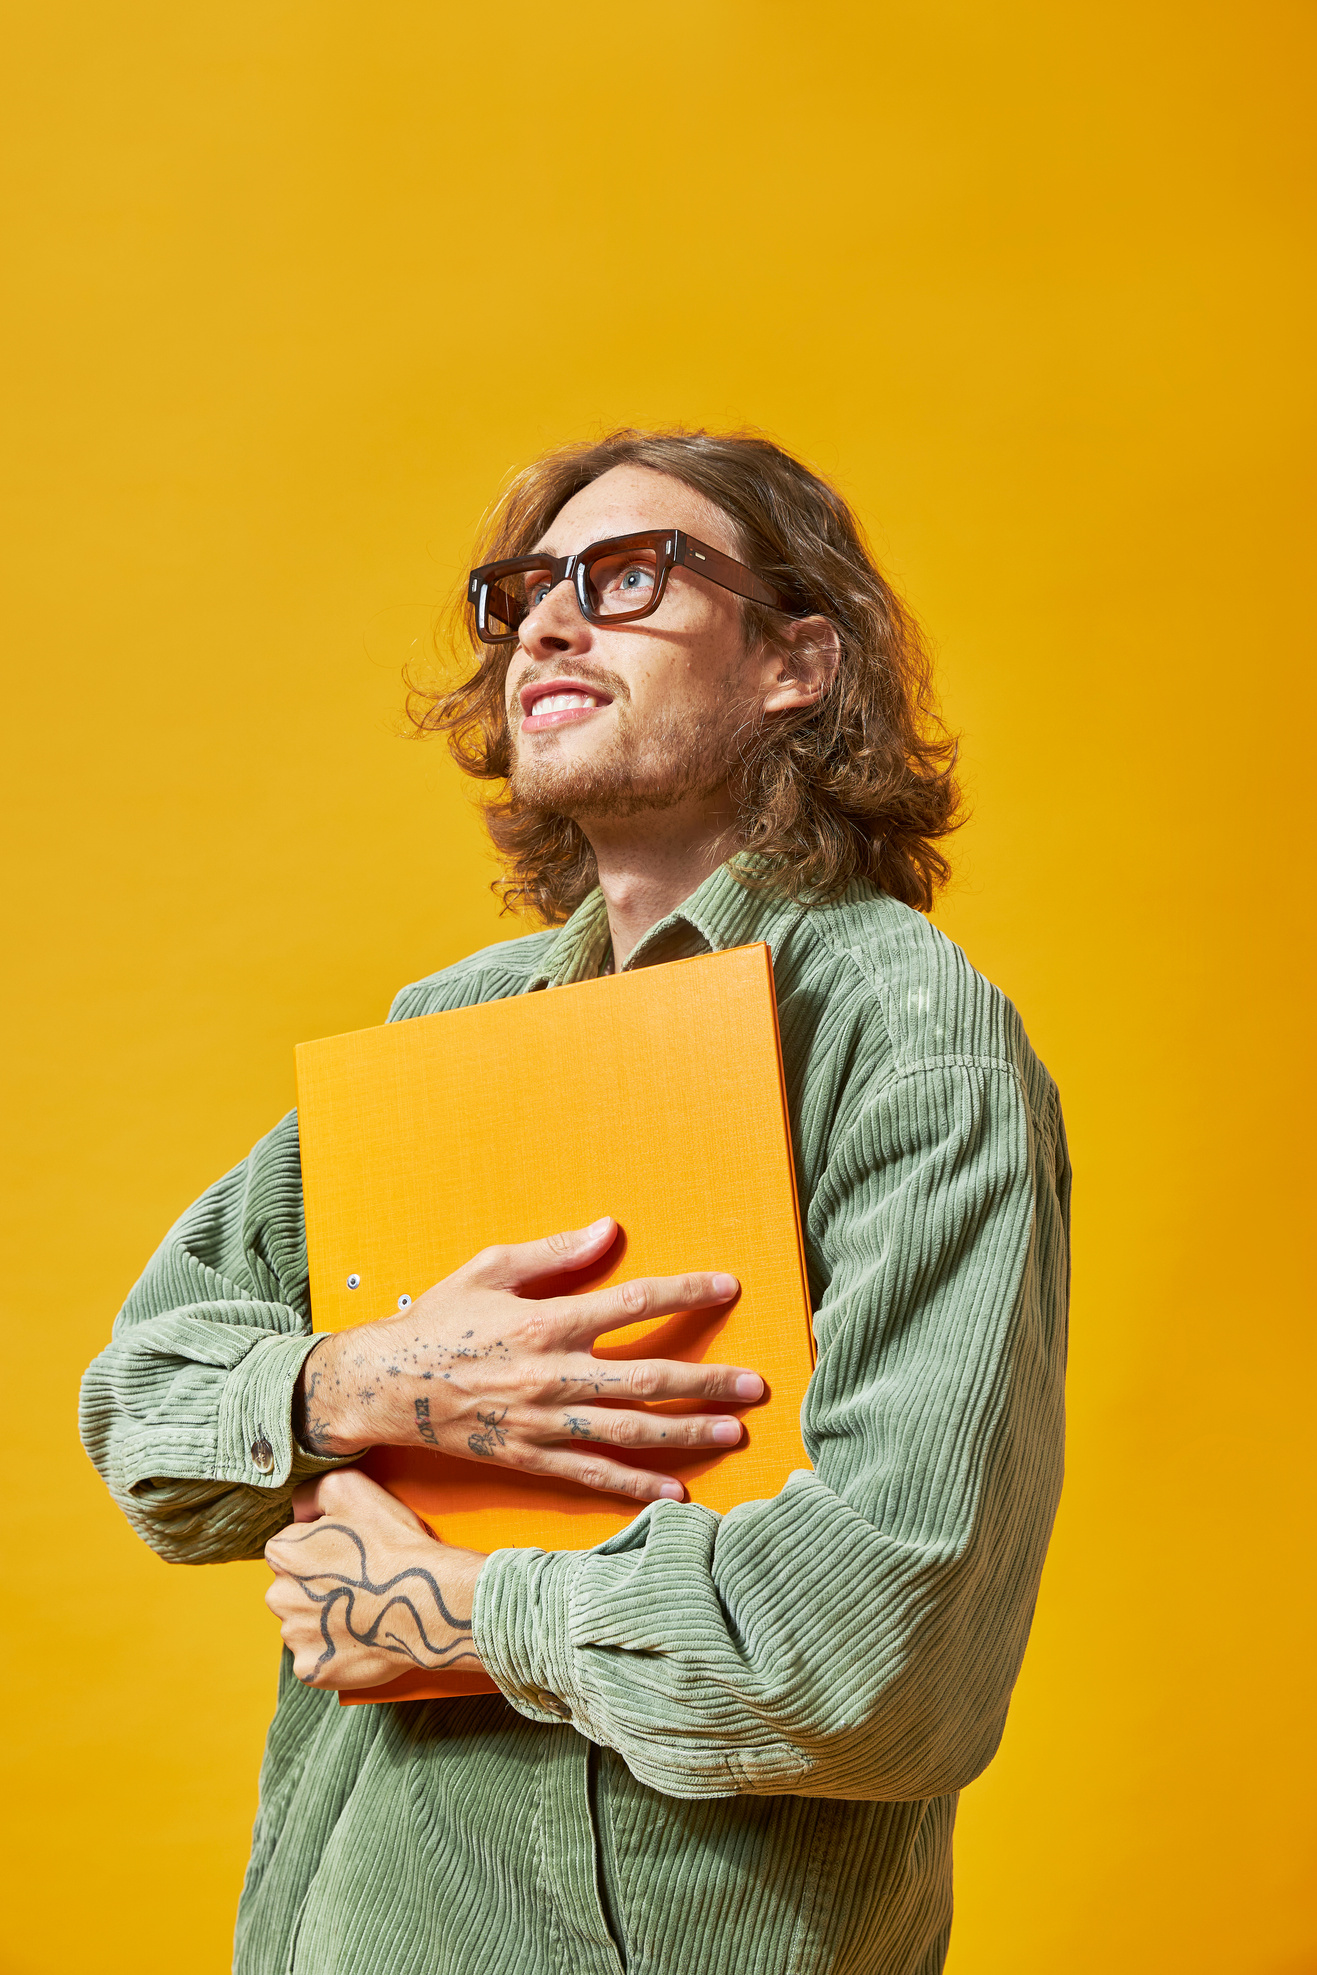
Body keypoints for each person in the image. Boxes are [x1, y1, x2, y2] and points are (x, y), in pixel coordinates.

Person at [80, 428, 1069, 1975]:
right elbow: (143, 1415)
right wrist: (359, 1380)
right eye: (525, 592)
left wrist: (470, 1616)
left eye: (627, 578)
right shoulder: (444, 1029)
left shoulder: (905, 1036)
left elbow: (890, 1653)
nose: (545, 622)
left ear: (795, 661)